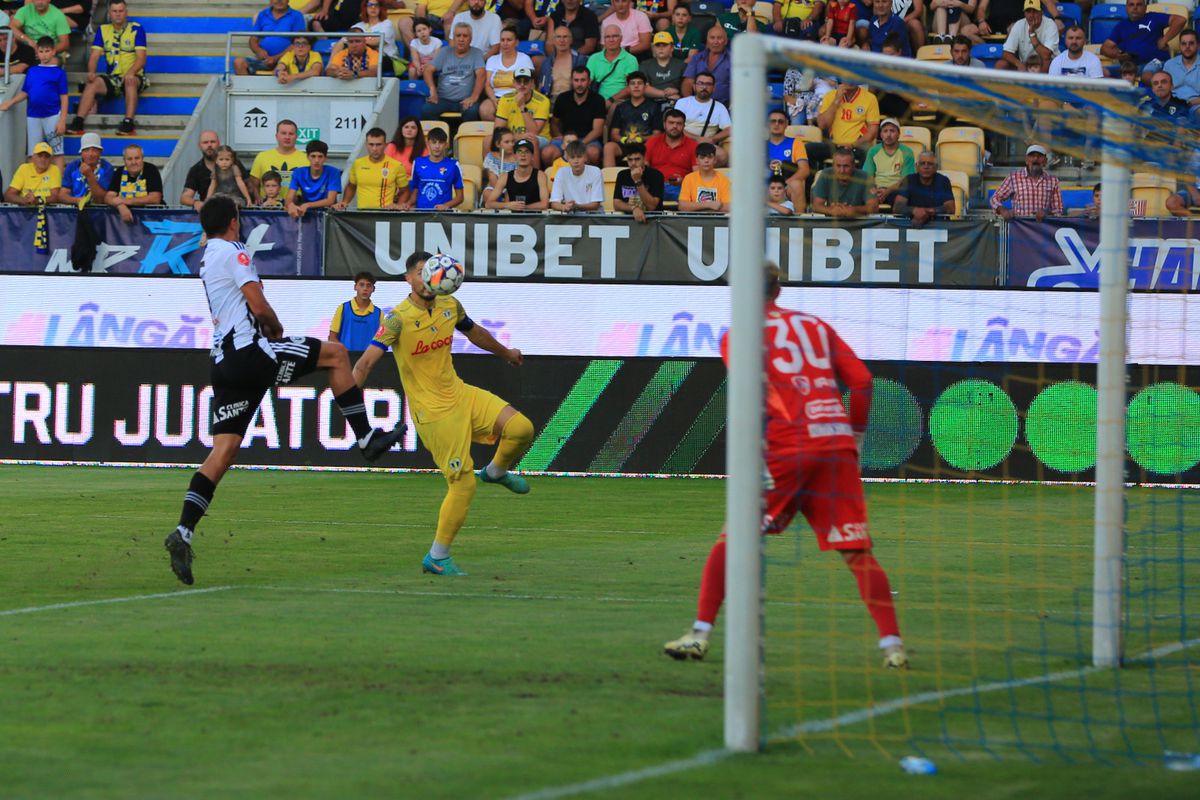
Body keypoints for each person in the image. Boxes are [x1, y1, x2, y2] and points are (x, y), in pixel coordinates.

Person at [663, 263, 908, 670]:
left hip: (788, 446)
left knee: (734, 536)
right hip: (836, 446)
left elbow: (753, 394)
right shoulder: (814, 325)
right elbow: (863, 381)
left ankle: (700, 634)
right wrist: (856, 439)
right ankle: (893, 646)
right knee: (857, 552)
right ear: (778, 289)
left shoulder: (738, 335)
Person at [163, 196, 407, 586]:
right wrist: (274, 328)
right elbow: (257, 304)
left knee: (223, 451)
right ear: (232, 221)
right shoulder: (234, 251)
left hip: (223, 365)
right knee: (337, 354)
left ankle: (184, 532)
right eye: (238, 219)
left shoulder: (207, 256)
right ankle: (367, 438)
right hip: (250, 354)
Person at [351, 250, 533, 576]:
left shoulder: (450, 305)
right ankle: (437, 556)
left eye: (431, 271)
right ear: (408, 278)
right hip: (433, 413)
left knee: (522, 428)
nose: (428, 277)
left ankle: (495, 471)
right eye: (421, 272)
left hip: (461, 394)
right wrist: (350, 410)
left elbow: (474, 331)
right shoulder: (397, 318)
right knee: (463, 485)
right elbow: (364, 363)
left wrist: (506, 352)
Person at [66, 0, 147, 135]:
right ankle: (78, 122)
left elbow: (141, 58)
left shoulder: (137, 29)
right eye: (114, 11)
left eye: (121, 11)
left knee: (130, 81)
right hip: (113, 78)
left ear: (126, 12)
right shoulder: (103, 30)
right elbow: (94, 56)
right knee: (92, 83)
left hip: (135, 76)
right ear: (109, 13)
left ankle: (128, 123)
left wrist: (131, 72)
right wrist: (91, 72)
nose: (118, 14)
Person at [0, 37, 67, 170]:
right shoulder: (32, 71)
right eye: (41, 51)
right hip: (33, 116)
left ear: (53, 51)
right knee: (32, 153)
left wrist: (62, 120)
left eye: (47, 51)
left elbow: (64, 97)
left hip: (52, 115)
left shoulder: (59, 72)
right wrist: (9, 102)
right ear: (37, 52)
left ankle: (59, 185)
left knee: (57, 152)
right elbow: (25, 92)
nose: (44, 54)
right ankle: (32, 184)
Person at [1102, 0, 1186, 85]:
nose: (1135, 7)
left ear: (1145, 8)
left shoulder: (1153, 17)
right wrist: (1118, 55)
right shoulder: (1121, 26)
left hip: (1155, 61)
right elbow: (1105, 48)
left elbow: (1180, 20)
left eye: (1139, 4)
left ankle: (1168, 93)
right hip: (1133, 66)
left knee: (1146, 75)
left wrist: (1164, 39)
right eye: (1131, 5)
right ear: (1126, 8)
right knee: (1102, 72)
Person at [543, 65, 606, 165]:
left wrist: (579, 144)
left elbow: (597, 130)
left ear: (589, 81)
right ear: (571, 81)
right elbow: (554, 123)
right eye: (576, 80)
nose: (579, 84)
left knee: (593, 153)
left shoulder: (598, 100)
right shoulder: (562, 98)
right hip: (565, 139)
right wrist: (561, 138)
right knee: (547, 153)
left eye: (583, 80)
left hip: (588, 140)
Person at [422, 22, 486, 121]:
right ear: (454, 38)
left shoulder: (476, 53)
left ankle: (464, 135)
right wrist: (432, 90)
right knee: (426, 110)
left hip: (465, 100)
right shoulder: (444, 51)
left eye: (465, 36)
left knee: (472, 111)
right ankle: (438, 135)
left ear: (471, 39)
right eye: (458, 36)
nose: (461, 39)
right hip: (443, 99)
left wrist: (474, 97)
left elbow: (481, 74)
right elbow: (428, 70)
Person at [603, 71, 662, 167]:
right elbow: (614, 134)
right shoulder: (621, 107)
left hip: (645, 145)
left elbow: (657, 135)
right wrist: (625, 140)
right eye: (632, 83)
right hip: (624, 144)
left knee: (651, 147)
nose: (636, 86)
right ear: (628, 87)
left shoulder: (654, 107)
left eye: (639, 83)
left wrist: (640, 139)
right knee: (608, 147)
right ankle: (610, 180)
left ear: (645, 87)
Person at [813, 79, 880, 165]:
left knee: (868, 154)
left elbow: (873, 131)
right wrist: (837, 99)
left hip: (857, 146)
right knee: (808, 150)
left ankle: (862, 178)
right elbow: (822, 125)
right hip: (834, 145)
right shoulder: (830, 96)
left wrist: (853, 144)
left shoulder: (870, 98)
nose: (850, 80)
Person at [341, 126, 410, 210]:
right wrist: (344, 203)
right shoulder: (358, 164)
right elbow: (351, 186)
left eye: (378, 144)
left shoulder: (396, 166)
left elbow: (405, 191)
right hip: (361, 215)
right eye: (371, 144)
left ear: (385, 145)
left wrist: (398, 206)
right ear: (366, 145)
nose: (374, 149)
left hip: (384, 215)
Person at [989, 144, 1063, 220]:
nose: (1036, 159)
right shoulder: (1013, 177)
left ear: (1045, 161)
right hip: (1020, 228)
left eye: (1040, 156)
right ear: (1026, 160)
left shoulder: (1053, 180)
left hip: (1042, 229)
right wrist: (1003, 210)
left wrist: (1046, 212)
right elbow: (994, 198)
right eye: (1032, 156)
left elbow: (1058, 209)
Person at [234, 0, 307, 76]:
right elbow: (253, 39)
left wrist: (275, 58)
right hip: (264, 60)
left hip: (287, 60)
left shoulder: (296, 15)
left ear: (288, 0)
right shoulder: (263, 14)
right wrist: (258, 51)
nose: (279, 1)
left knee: (283, 68)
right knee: (239, 62)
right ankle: (247, 88)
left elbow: (298, 43)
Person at [673, 70, 731, 166]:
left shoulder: (719, 107)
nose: (704, 87)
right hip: (683, 141)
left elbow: (729, 129)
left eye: (708, 84)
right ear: (694, 86)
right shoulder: (682, 102)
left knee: (722, 156)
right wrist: (697, 138)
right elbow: (676, 126)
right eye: (701, 83)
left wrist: (712, 139)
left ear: (714, 87)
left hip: (706, 145)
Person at [481, 24, 535, 120]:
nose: (505, 43)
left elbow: (531, 84)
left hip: (518, 96)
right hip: (497, 97)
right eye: (502, 40)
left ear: (516, 42)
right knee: (485, 110)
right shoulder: (492, 60)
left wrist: (521, 98)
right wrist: (494, 100)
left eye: (509, 40)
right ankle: (497, 133)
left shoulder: (524, 59)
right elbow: (488, 85)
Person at [644, 106, 697, 201]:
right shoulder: (652, 142)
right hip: (655, 186)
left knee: (691, 197)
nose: (675, 126)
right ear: (664, 124)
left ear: (684, 126)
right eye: (671, 123)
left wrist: (684, 181)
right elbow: (643, 167)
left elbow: (697, 174)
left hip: (681, 188)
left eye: (679, 123)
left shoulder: (692, 145)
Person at [892, 150, 955, 225]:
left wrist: (927, 212)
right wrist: (914, 210)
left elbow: (951, 208)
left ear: (936, 167)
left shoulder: (943, 181)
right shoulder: (908, 180)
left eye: (930, 164)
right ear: (916, 166)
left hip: (939, 226)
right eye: (922, 163)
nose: (926, 167)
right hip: (911, 225)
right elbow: (897, 207)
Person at [811, 147, 879, 217]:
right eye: (838, 166)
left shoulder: (865, 177)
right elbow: (816, 206)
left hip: (857, 221)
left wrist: (852, 210)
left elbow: (874, 207)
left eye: (846, 166)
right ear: (833, 165)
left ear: (853, 166)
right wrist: (831, 210)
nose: (842, 170)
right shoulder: (826, 174)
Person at [408, 126, 465, 210]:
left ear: (446, 145)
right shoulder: (418, 162)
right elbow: (415, 191)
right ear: (428, 144)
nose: (437, 146)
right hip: (420, 214)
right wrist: (408, 204)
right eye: (434, 142)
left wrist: (446, 206)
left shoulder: (453, 165)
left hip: (443, 216)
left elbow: (460, 197)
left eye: (440, 143)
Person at [485, 137, 550, 209]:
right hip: (512, 218)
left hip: (534, 218)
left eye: (527, 151)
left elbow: (545, 204)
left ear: (532, 156)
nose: (523, 155)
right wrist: (507, 205)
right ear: (514, 156)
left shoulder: (540, 175)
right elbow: (488, 204)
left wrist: (522, 207)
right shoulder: (505, 176)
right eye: (519, 151)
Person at [105, 144, 162, 224]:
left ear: (142, 158)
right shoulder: (119, 172)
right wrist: (120, 206)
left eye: (137, 158)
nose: (133, 162)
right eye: (129, 159)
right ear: (124, 160)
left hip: (151, 220)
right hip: (124, 222)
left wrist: (124, 201)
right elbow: (108, 197)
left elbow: (155, 198)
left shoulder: (151, 170)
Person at [249, 119, 307, 198]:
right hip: (268, 207)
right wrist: (258, 201)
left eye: (291, 134)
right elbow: (253, 184)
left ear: (296, 137)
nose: (287, 137)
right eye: (283, 133)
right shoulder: (262, 157)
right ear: (277, 136)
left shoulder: (306, 159)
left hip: (297, 206)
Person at [766, 109, 810, 212]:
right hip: (766, 188)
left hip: (787, 187)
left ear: (787, 124)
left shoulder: (796, 143)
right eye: (773, 121)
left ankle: (799, 221)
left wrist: (786, 183)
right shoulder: (760, 145)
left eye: (780, 121)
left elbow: (804, 170)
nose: (776, 124)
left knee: (796, 184)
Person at [864, 117, 914, 206]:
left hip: (896, 189)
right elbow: (867, 176)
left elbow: (906, 180)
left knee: (903, 197)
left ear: (898, 134)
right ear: (881, 134)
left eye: (892, 131)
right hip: (877, 189)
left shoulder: (907, 152)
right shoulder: (873, 151)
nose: (888, 135)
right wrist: (873, 189)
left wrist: (887, 191)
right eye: (885, 131)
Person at [996, 0, 1056, 72]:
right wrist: (1019, 64)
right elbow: (1006, 53)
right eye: (1028, 11)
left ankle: (1039, 82)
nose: (1031, 15)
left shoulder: (1050, 24)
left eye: (1035, 11)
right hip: (1026, 64)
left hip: (1046, 65)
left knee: (1046, 61)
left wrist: (1032, 33)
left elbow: (1046, 55)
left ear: (1042, 12)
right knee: (1001, 64)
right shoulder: (1019, 24)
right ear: (1024, 13)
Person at [286, 139, 341, 217]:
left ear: (325, 158)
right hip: (305, 214)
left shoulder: (333, 172)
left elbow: (330, 200)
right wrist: (290, 205)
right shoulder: (298, 172)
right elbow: (289, 197)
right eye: (313, 156)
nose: (316, 160)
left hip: (327, 215)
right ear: (308, 157)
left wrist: (308, 205)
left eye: (320, 156)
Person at [329, 271, 382, 352]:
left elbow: (382, 341)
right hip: (345, 359)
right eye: (361, 284)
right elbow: (332, 337)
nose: (365, 288)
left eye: (369, 285)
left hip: (369, 361)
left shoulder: (379, 314)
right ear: (355, 287)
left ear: (373, 289)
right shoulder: (343, 308)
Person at [8, 0, 70, 67]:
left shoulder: (58, 15)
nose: (40, 2)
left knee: (50, 64)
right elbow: (11, 27)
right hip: (29, 48)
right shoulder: (25, 10)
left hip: (50, 50)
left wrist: (46, 52)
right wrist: (28, 40)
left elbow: (65, 44)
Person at [681, 24, 731, 107]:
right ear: (707, 41)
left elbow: (738, 87)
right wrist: (691, 104)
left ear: (725, 41)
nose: (715, 41)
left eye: (719, 38)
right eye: (712, 38)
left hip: (724, 106)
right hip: (698, 104)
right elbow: (687, 82)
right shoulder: (697, 58)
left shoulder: (733, 60)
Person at [586, 25, 640, 102]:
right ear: (603, 40)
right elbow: (587, 82)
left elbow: (632, 86)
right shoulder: (594, 58)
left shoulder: (631, 59)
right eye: (607, 37)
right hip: (596, 101)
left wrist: (611, 101)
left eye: (615, 36)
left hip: (621, 102)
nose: (611, 40)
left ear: (621, 38)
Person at [612, 141, 663, 221]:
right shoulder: (622, 175)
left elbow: (652, 206)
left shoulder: (656, 175)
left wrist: (637, 180)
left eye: (637, 159)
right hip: (627, 219)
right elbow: (617, 204)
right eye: (630, 160)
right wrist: (634, 208)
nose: (633, 163)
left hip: (652, 221)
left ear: (644, 158)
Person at [549, 139, 604, 211]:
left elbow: (595, 205)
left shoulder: (595, 171)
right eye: (572, 157)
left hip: (593, 217)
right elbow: (554, 203)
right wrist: (564, 207)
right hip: (571, 216)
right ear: (568, 158)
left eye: (579, 157)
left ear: (585, 157)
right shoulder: (561, 172)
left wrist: (577, 206)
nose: (576, 161)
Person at [60, 132, 113, 205]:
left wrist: (90, 176)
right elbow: (62, 195)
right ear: (81, 152)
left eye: (94, 150)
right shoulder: (72, 167)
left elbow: (101, 199)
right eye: (86, 150)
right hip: (75, 211)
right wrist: (78, 200)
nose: (90, 154)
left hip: (100, 213)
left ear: (100, 152)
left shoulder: (107, 168)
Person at [538, 25, 588, 103]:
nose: (562, 40)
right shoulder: (547, 62)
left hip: (573, 100)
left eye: (565, 37)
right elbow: (542, 85)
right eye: (558, 37)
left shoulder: (581, 60)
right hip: (550, 101)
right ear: (554, 41)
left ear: (571, 40)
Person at [678, 141, 730, 213]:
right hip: (694, 221)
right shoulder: (689, 178)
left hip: (716, 220)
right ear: (697, 161)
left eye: (710, 157)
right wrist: (709, 204)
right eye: (702, 157)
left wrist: (694, 207)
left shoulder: (723, 179)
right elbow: (682, 206)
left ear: (715, 160)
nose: (706, 160)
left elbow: (728, 207)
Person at [1164, 28, 1200, 121]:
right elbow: (1164, 90)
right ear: (1180, 46)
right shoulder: (1169, 64)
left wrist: (1191, 102)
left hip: (1196, 105)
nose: (1187, 47)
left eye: (1191, 43)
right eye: (1184, 44)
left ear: (1198, 46)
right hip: (1173, 104)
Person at [639, 30, 684, 105]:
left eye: (664, 45)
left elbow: (685, 88)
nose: (661, 48)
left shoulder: (681, 65)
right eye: (657, 45)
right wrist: (665, 94)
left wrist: (677, 91)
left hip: (676, 102)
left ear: (672, 47)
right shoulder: (645, 64)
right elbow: (644, 88)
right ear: (653, 48)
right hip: (651, 103)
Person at [482, 126, 517, 201]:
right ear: (498, 144)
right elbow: (492, 178)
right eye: (507, 142)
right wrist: (501, 191)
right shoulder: (491, 158)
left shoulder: (517, 158)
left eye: (513, 141)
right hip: (495, 188)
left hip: (512, 188)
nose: (511, 144)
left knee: (510, 195)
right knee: (488, 194)